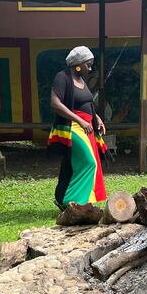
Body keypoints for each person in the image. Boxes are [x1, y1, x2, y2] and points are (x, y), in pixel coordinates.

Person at [48, 46, 108, 209]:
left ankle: (63, 199)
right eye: (88, 64)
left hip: (87, 126)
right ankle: (74, 202)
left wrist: (97, 118)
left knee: (71, 164)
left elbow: (86, 103)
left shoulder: (81, 80)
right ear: (78, 64)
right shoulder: (62, 77)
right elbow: (55, 103)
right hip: (72, 126)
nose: (90, 68)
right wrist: (80, 121)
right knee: (89, 162)